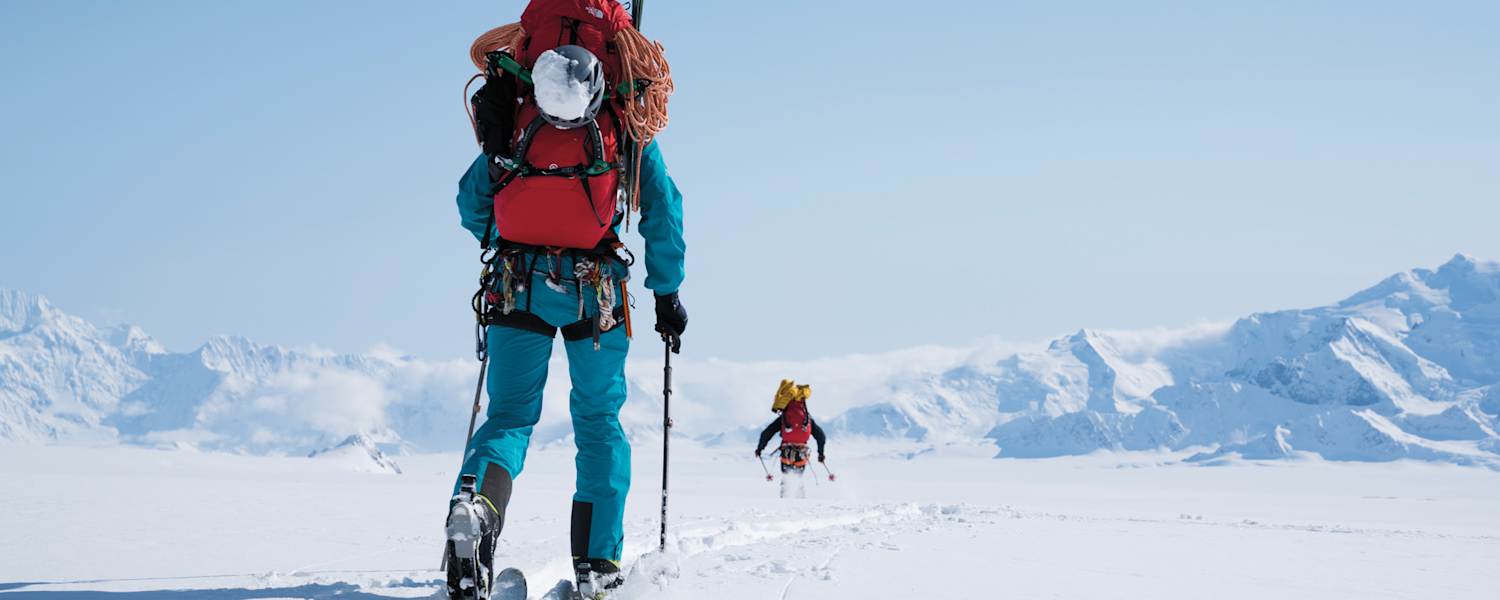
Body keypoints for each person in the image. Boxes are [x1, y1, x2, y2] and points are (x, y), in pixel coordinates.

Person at [443, 2, 684, 598]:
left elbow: (472, 198)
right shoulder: (623, 120)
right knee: (599, 422)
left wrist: (500, 244)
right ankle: (598, 566)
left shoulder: (518, 117)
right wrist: (667, 293)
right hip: (594, 295)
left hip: (514, 283)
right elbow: (662, 209)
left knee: (507, 417)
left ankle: (475, 511)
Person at [754, 380, 828, 499]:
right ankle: (800, 503)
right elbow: (821, 436)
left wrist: (759, 448)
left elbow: (766, 433)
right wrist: (821, 453)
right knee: (798, 478)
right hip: (802, 451)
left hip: (786, 451)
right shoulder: (807, 419)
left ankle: (785, 503)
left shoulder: (784, 419)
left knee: (786, 478)